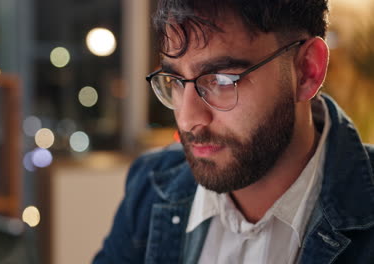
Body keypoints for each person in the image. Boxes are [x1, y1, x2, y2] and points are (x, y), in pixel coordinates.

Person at [94, 0, 374, 263]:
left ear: (306, 70)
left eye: (222, 80)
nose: (189, 119)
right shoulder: (151, 186)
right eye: (175, 81)